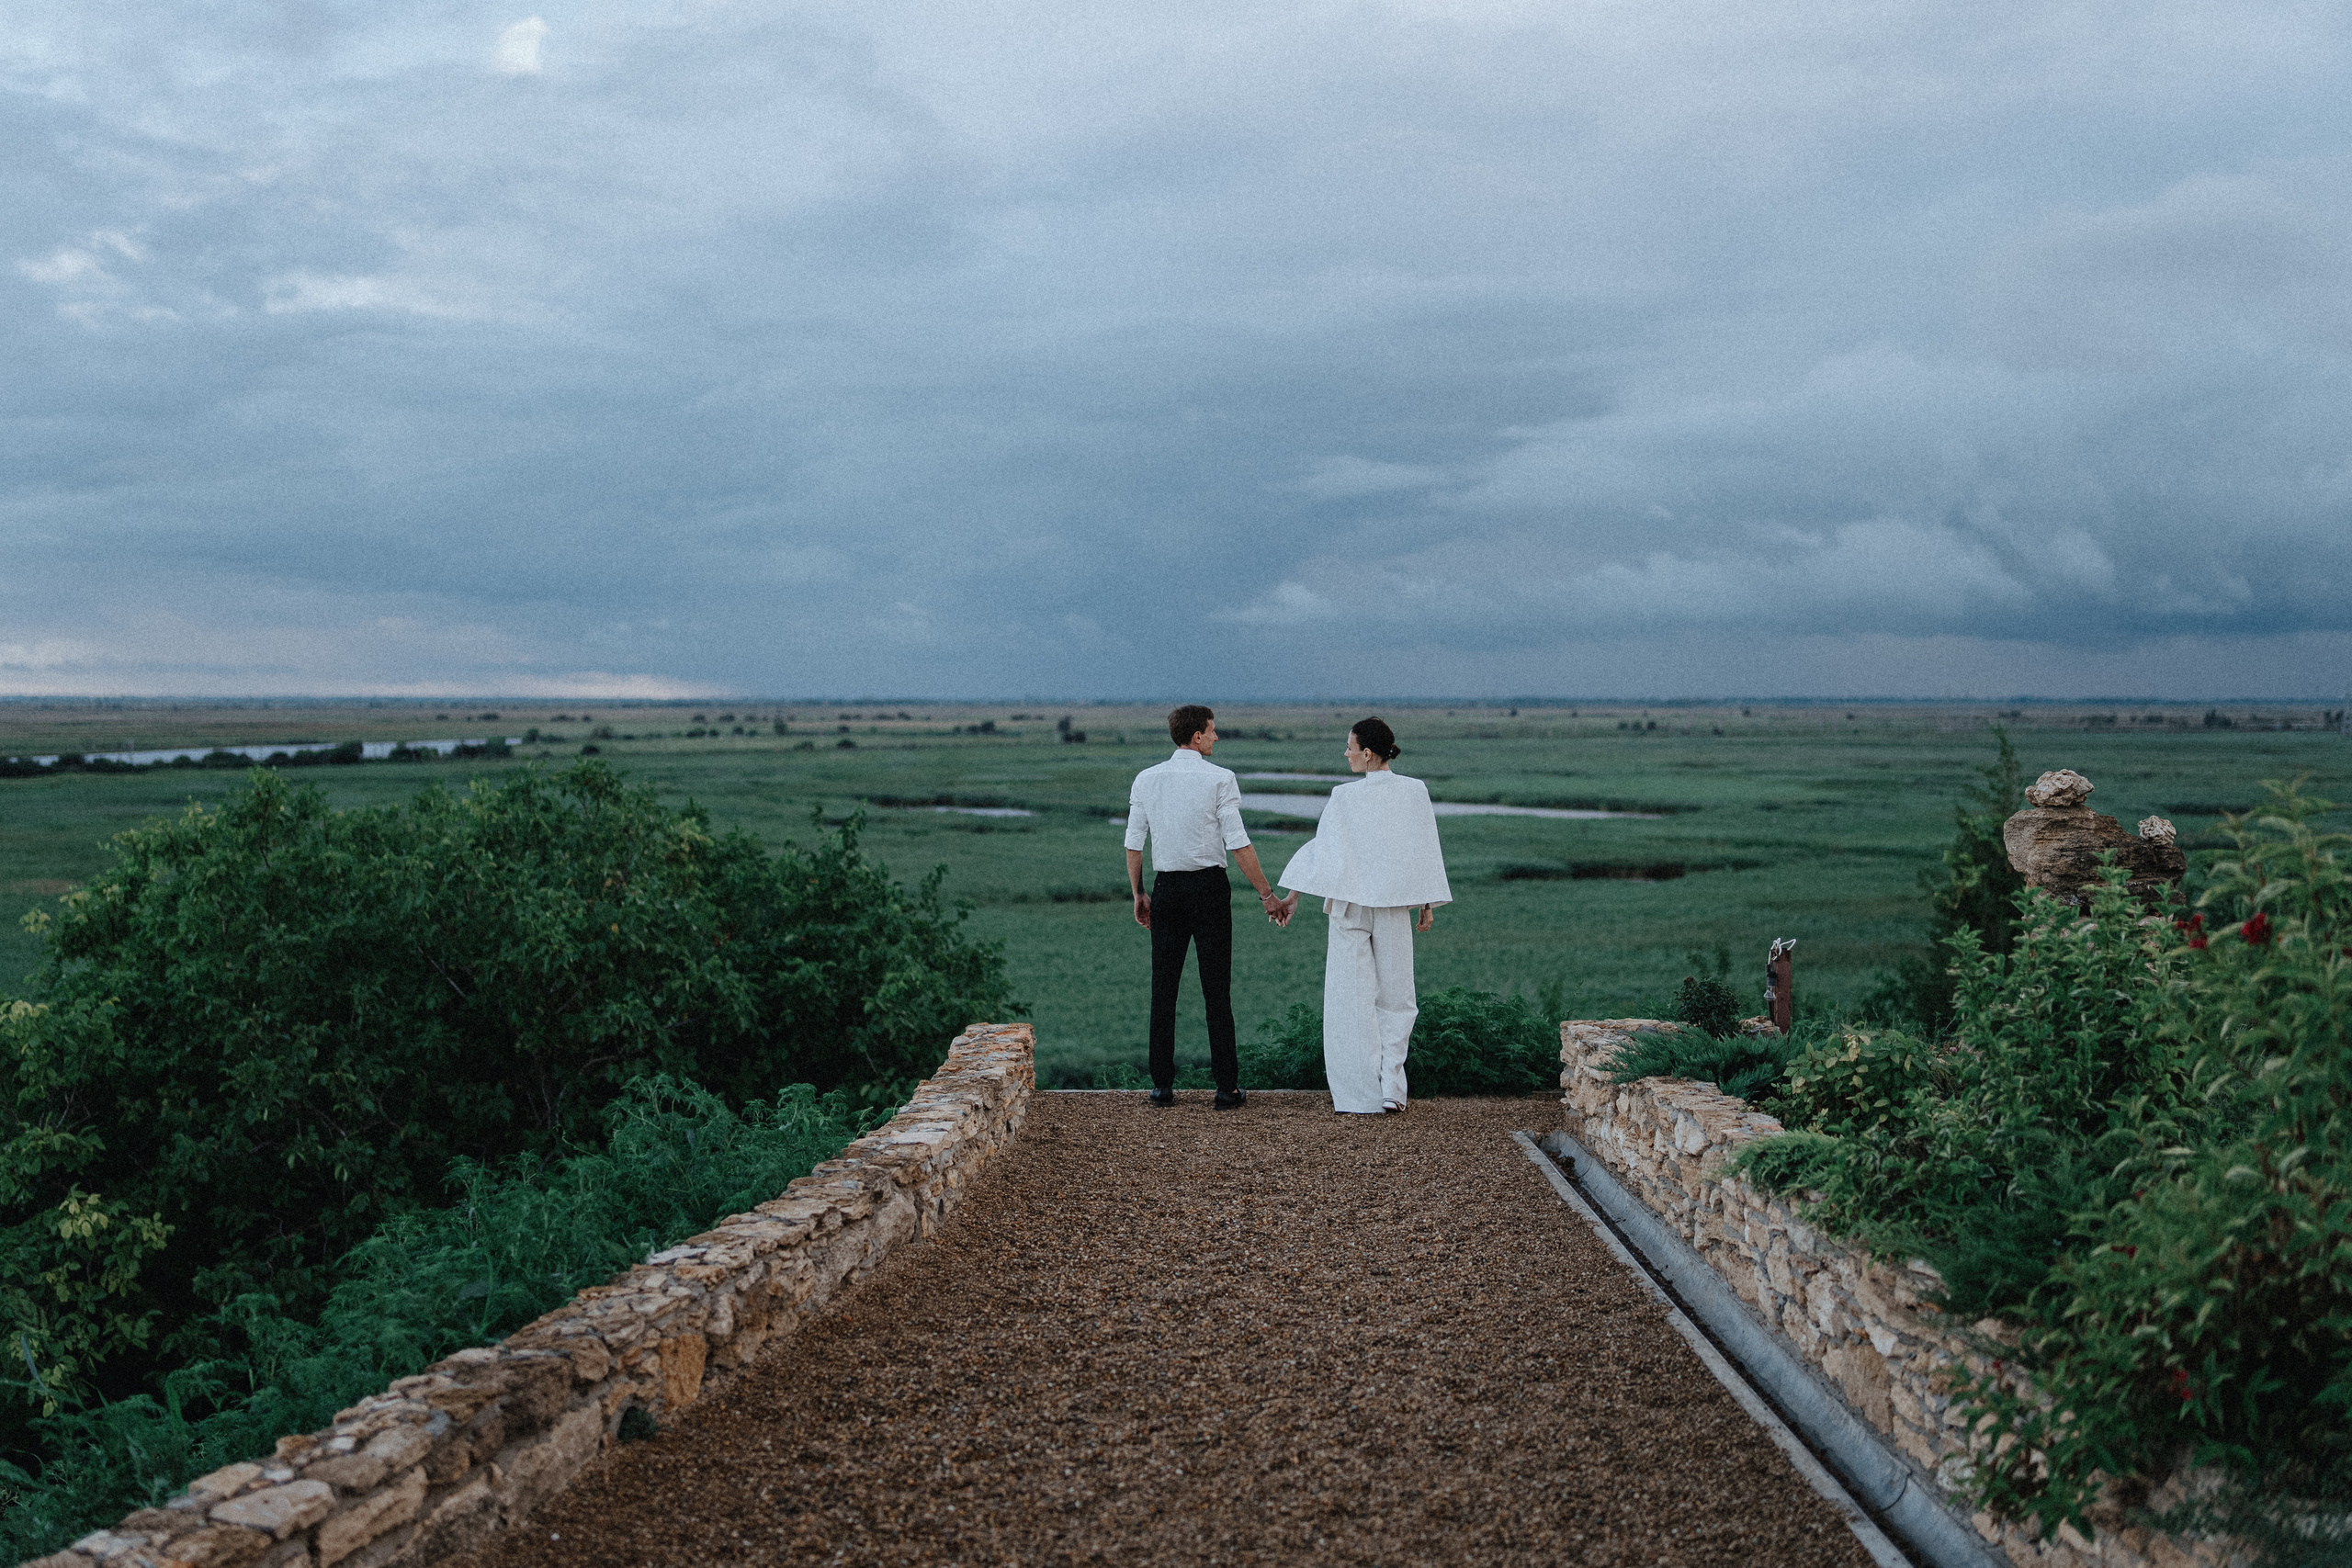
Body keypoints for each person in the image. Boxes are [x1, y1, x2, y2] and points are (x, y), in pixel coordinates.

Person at [1266, 717, 1451, 1114]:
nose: (1346, 754)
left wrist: (1293, 895)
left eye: (1350, 748)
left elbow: (1323, 851)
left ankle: (1359, 1095)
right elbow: (1424, 846)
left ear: (1367, 754)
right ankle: (1391, 1089)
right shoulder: (1413, 791)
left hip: (1351, 906)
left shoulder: (1344, 797)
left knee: (1350, 999)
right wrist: (1426, 902)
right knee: (1397, 997)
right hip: (1390, 907)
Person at [1125, 705, 1294, 1109]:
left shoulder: (1147, 779)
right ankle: (1226, 1088)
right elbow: (1239, 844)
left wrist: (1139, 893)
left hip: (1166, 888)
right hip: (1209, 890)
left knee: (1163, 989)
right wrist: (1267, 895)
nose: (1217, 737)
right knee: (1217, 991)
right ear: (1197, 736)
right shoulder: (1220, 779)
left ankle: (1162, 1086)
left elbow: (1134, 843)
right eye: (1213, 731)